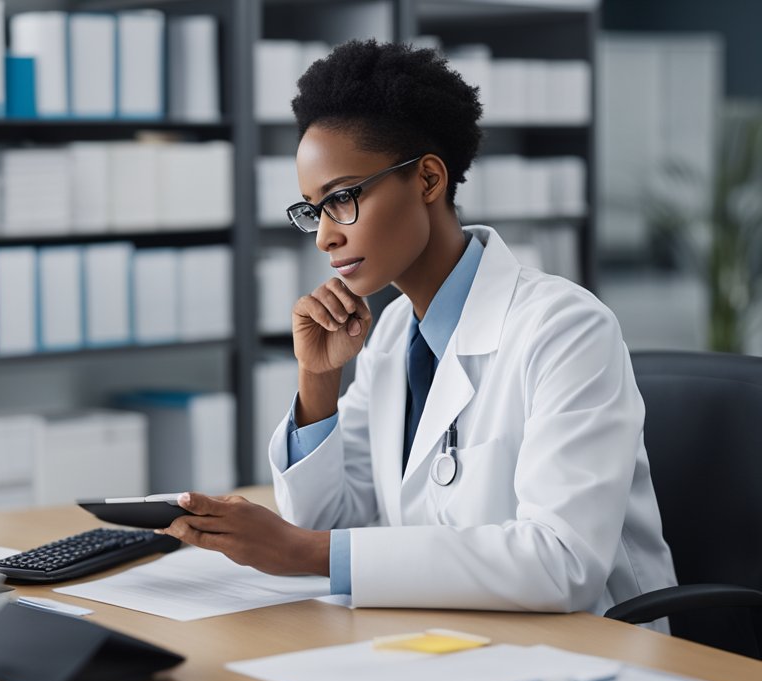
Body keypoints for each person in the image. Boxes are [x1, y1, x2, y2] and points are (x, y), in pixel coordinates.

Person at [159, 39, 677, 622]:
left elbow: (560, 563)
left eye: (342, 199)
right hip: (444, 635)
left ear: (428, 180)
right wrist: (318, 378)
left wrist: (302, 551)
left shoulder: (565, 329)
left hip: (593, 652)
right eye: (313, 209)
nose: (324, 236)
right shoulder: (394, 331)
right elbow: (328, 522)